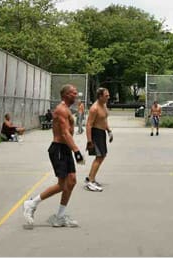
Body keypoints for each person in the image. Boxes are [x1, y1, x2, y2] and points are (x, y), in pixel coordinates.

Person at [22, 84, 85, 228]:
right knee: (62, 184)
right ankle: (31, 203)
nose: (76, 95)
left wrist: (72, 149)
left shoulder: (67, 109)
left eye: (76, 93)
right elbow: (64, 133)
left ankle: (60, 217)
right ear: (65, 95)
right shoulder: (61, 110)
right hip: (58, 149)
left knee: (72, 181)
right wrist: (76, 151)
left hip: (65, 149)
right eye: (73, 93)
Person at [84, 87, 112, 192]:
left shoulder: (104, 105)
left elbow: (104, 120)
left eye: (108, 95)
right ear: (100, 96)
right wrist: (89, 141)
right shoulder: (94, 108)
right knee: (99, 157)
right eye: (106, 96)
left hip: (102, 133)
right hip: (95, 134)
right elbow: (88, 125)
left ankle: (91, 177)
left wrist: (109, 131)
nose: (108, 97)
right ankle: (90, 181)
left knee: (102, 156)